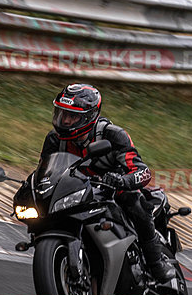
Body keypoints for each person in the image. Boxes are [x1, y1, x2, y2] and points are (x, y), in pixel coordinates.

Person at [40, 83, 175, 282]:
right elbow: (45, 171)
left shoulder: (113, 135)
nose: (65, 121)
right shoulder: (54, 139)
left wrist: (122, 180)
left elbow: (142, 171)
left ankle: (156, 264)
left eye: (72, 116)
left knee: (136, 203)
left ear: (88, 116)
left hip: (114, 190)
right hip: (78, 191)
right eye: (62, 114)